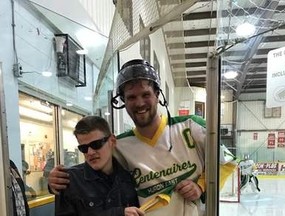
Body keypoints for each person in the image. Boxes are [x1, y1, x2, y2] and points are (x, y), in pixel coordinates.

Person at [48, 59, 236, 216]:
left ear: (157, 94)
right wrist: (58, 180)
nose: (139, 103)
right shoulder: (119, 145)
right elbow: (92, 167)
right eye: (131, 97)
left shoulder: (191, 126)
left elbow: (227, 161)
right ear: (123, 101)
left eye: (146, 94)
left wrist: (201, 186)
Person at [54, 115, 144, 216]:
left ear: (112, 141)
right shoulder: (69, 180)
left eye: (96, 144)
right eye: (84, 148)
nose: (90, 152)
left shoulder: (130, 175)